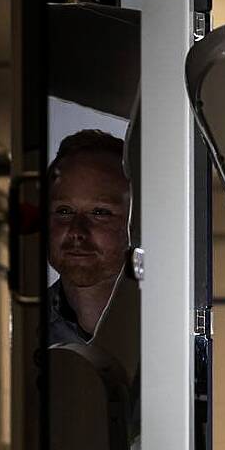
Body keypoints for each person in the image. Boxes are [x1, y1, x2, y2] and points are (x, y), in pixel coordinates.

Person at [46, 129, 130, 345]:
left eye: (100, 212)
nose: (76, 231)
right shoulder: (16, 329)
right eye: (64, 211)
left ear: (137, 220)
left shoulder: (173, 323)